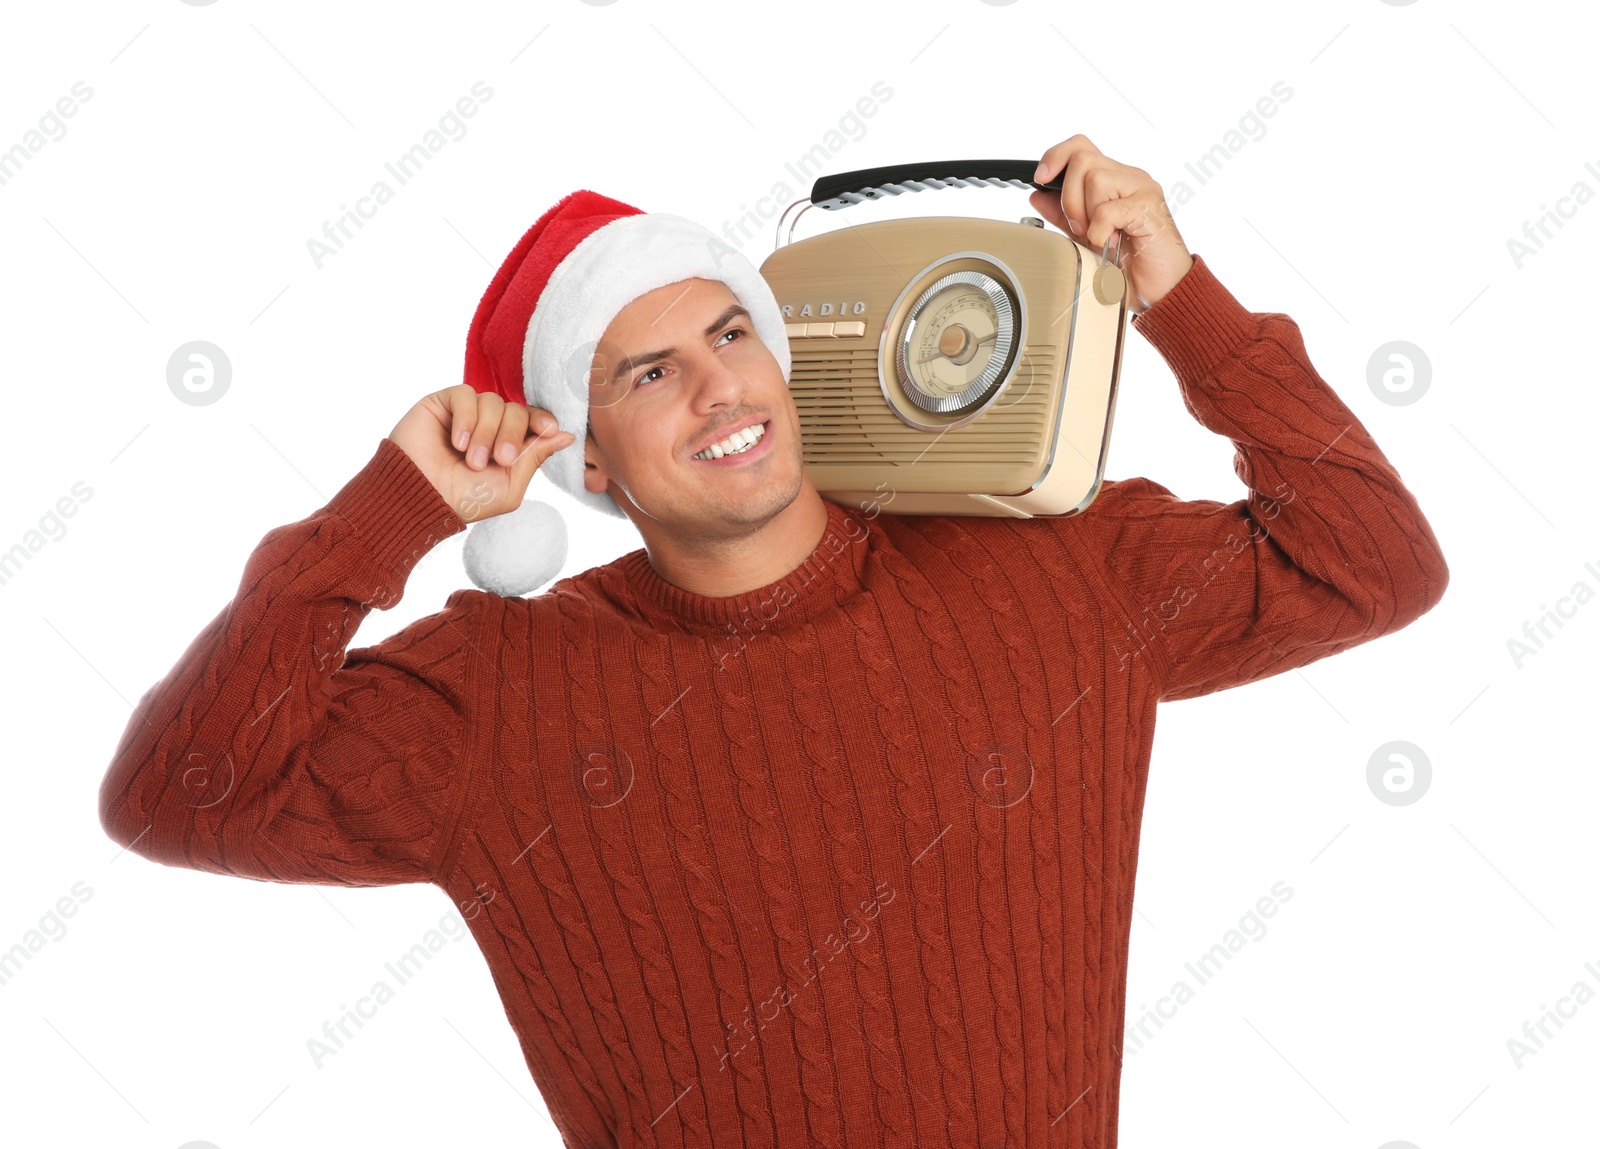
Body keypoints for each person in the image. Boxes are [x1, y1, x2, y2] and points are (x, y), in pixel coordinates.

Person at [98, 136, 1449, 1148]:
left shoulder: (1047, 558)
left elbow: (1372, 562)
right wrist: (384, 514)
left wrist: (1181, 298)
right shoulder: (499, 693)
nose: (719, 385)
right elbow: (175, 794)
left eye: (731, 330)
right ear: (592, 462)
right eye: (648, 371)